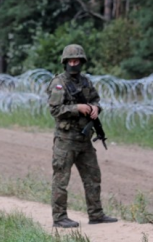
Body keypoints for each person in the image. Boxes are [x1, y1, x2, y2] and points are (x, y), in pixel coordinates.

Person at [46, 44, 118, 228]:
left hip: (84, 139)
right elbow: (55, 110)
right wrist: (76, 108)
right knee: (61, 179)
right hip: (66, 139)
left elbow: (95, 99)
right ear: (65, 62)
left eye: (76, 60)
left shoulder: (86, 82)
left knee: (93, 177)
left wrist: (95, 108)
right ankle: (60, 217)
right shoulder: (59, 83)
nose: (73, 63)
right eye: (70, 60)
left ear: (81, 61)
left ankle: (96, 214)